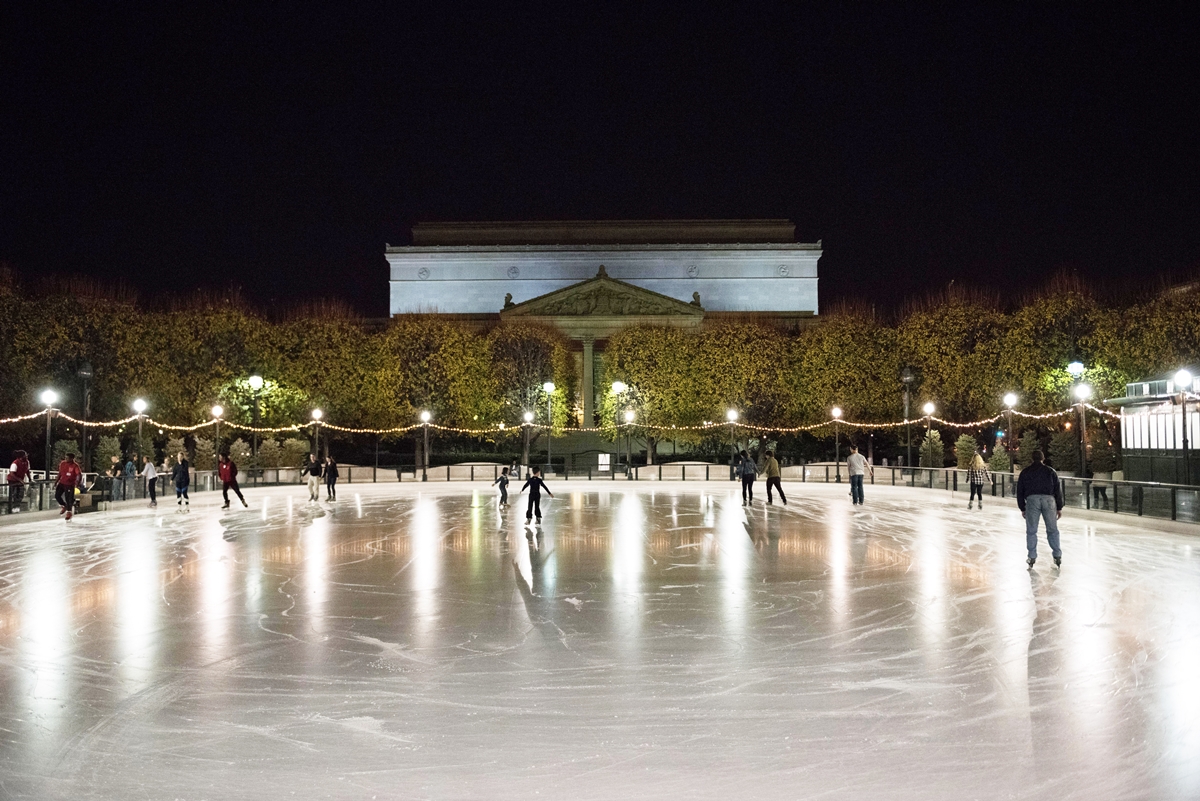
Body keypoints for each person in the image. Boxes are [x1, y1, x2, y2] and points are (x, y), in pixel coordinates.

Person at [1016, 449, 1063, 568]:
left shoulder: (1025, 472)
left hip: (1032, 500)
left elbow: (1020, 491)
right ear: (1043, 459)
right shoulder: (1050, 471)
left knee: (1031, 530)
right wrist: (1059, 507)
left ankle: (1031, 556)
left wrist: (1022, 507)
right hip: (1049, 500)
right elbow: (1057, 489)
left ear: (1032, 459)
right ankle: (1057, 555)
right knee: (1052, 529)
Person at [56, 452, 82, 520]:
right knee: (57, 495)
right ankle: (64, 505)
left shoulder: (75, 466)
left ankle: (69, 512)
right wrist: (56, 481)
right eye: (65, 458)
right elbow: (60, 473)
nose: (66, 459)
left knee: (68, 498)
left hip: (69, 484)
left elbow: (79, 474)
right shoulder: (62, 463)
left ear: (72, 459)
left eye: (67, 458)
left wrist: (77, 483)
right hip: (62, 483)